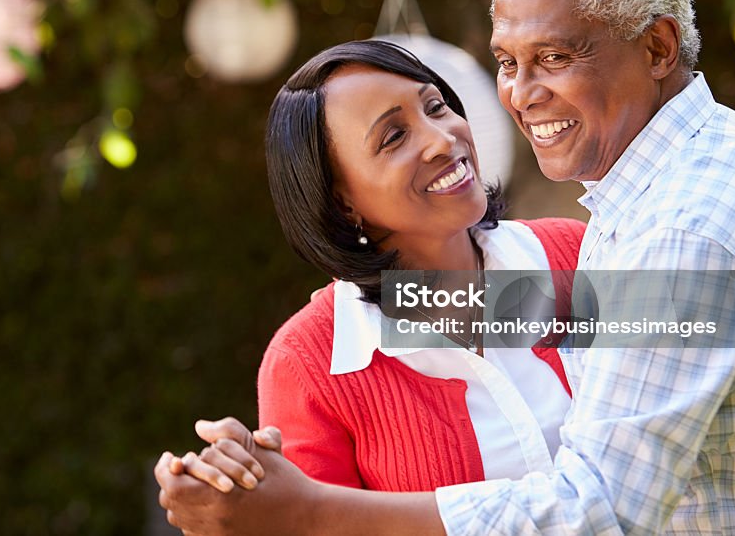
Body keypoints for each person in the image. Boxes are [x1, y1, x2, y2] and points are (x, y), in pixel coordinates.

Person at [155, 0, 735, 535]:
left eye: (555, 56)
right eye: (509, 63)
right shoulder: (314, 359)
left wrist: (305, 511)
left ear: (658, 47)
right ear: (339, 198)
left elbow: (599, 507)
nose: (446, 136)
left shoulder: (635, 241)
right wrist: (243, 494)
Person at [221, 39, 586, 495]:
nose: (441, 138)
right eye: (394, 136)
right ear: (341, 201)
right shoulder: (306, 364)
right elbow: (313, 522)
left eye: (435, 106)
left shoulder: (574, 253)